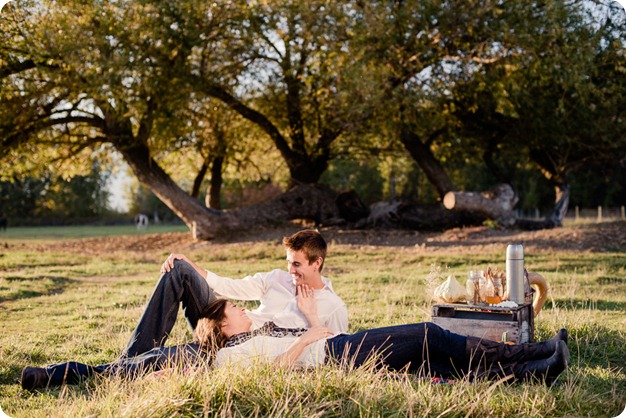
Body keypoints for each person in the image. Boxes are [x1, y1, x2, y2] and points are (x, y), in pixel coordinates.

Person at [21, 229, 348, 390]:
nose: (290, 271)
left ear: (317, 263)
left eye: (297, 265)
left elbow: (334, 348)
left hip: (249, 355)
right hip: (230, 328)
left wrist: (311, 319)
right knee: (178, 268)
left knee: (170, 358)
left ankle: (105, 368)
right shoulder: (277, 279)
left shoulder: (332, 305)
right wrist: (195, 268)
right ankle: (128, 365)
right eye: (288, 263)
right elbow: (230, 287)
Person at [194, 295, 570, 385]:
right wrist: (305, 340)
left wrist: (310, 325)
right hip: (337, 356)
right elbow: (272, 374)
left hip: (339, 347)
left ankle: (534, 370)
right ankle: (531, 352)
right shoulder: (229, 357)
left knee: (433, 365)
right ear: (221, 325)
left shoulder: (254, 332)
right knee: (428, 334)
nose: (243, 310)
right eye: (235, 310)